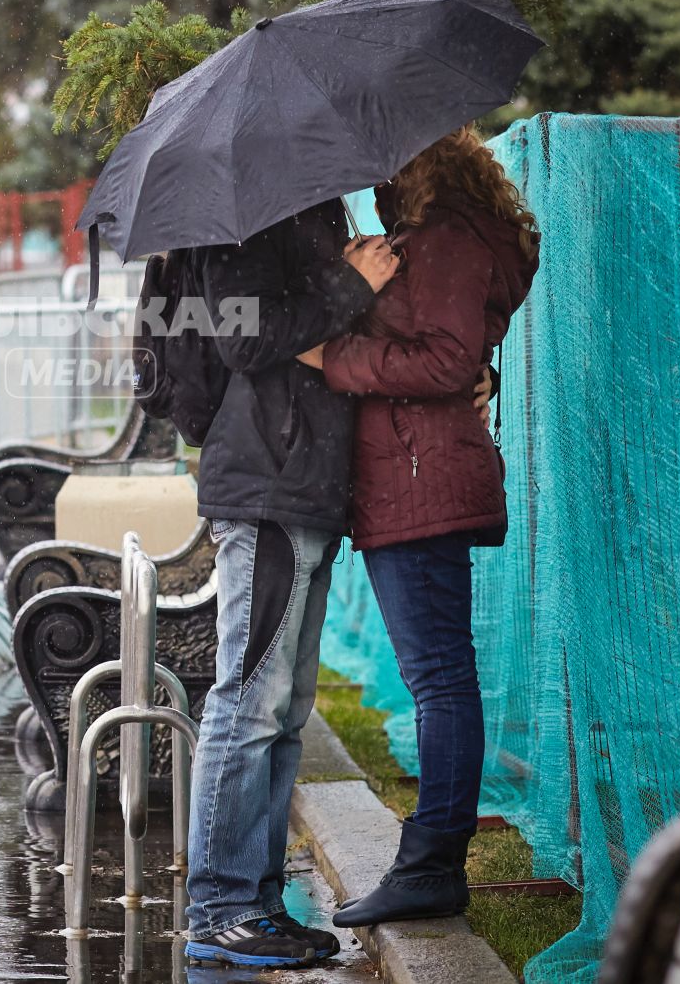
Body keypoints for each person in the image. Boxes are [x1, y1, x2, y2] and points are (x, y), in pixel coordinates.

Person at [297, 125, 539, 928]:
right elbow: (457, 353)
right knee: (438, 675)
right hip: (412, 477)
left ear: (418, 160)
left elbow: (443, 359)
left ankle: (432, 864)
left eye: (383, 162)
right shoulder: (431, 238)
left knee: (440, 678)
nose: (371, 177)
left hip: (419, 480)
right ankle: (431, 857)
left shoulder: (443, 239)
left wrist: (335, 356)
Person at [180, 201, 400, 969]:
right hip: (266, 487)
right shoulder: (241, 214)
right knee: (247, 703)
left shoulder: (310, 207)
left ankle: (259, 901)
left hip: (303, 485)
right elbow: (245, 337)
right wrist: (350, 281)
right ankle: (219, 907)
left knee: (285, 709)